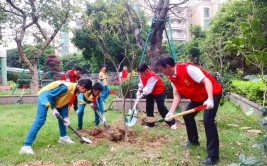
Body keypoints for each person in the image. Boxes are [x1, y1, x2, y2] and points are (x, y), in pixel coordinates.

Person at [157, 56, 222, 165]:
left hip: (212, 93)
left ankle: (213, 156)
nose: (161, 72)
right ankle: (193, 140)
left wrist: (210, 99)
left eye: (161, 69)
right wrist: (171, 112)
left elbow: (207, 81)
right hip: (198, 97)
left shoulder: (188, 69)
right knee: (187, 116)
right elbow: (177, 95)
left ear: (168, 66)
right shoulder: (172, 77)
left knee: (208, 121)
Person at [19, 79, 93, 155]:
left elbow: (64, 103)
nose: (85, 92)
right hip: (45, 95)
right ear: (82, 86)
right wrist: (54, 108)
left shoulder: (75, 91)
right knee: (40, 120)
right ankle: (26, 146)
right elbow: (50, 95)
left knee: (62, 119)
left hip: (54, 98)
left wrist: (65, 117)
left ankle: (63, 138)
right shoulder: (66, 88)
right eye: (86, 90)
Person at [136, 63, 177, 130]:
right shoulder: (141, 74)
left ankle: (172, 122)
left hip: (158, 90)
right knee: (149, 107)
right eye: (141, 73)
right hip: (150, 91)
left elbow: (148, 89)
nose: (142, 74)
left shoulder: (152, 76)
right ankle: (150, 123)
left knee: (161, 107)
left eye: (143, 72)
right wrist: (139, 91)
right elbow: (142, 84)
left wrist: (141, 95)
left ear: (146, 70)